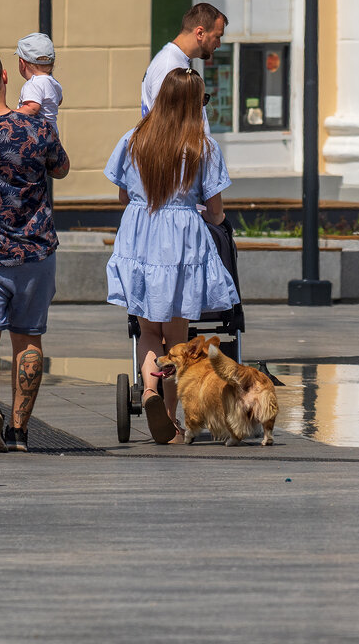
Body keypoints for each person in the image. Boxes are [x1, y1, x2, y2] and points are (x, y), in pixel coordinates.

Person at [106, 67, 239, 444]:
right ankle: (168, 416)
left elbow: (122, 196)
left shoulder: (134, 139)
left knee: (148, 330)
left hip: (140, 236)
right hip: (180, 241)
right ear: (195, 104)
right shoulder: (202, 147)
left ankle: (148, 390)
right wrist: (210, 216)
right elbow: (215, 211)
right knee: (176, 335)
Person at [0, 48, 69, 453]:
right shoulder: (35, 129)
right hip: (34, 253)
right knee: (29, 339)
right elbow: (61, 168)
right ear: (6, 77)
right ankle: (19, 432)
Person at [142, 2, 227, 130]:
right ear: (200, 33)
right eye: (217, 37)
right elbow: (164, 131)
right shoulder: (169, 66)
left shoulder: (176, 61)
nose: (219, 44)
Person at [14, 32, 62, 130]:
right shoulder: (53, 82)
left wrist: (11, 114)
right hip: (52, 133)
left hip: (38, 136)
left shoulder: (33, 84)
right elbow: (59, 100)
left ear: (22, 63)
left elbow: (32, 108)